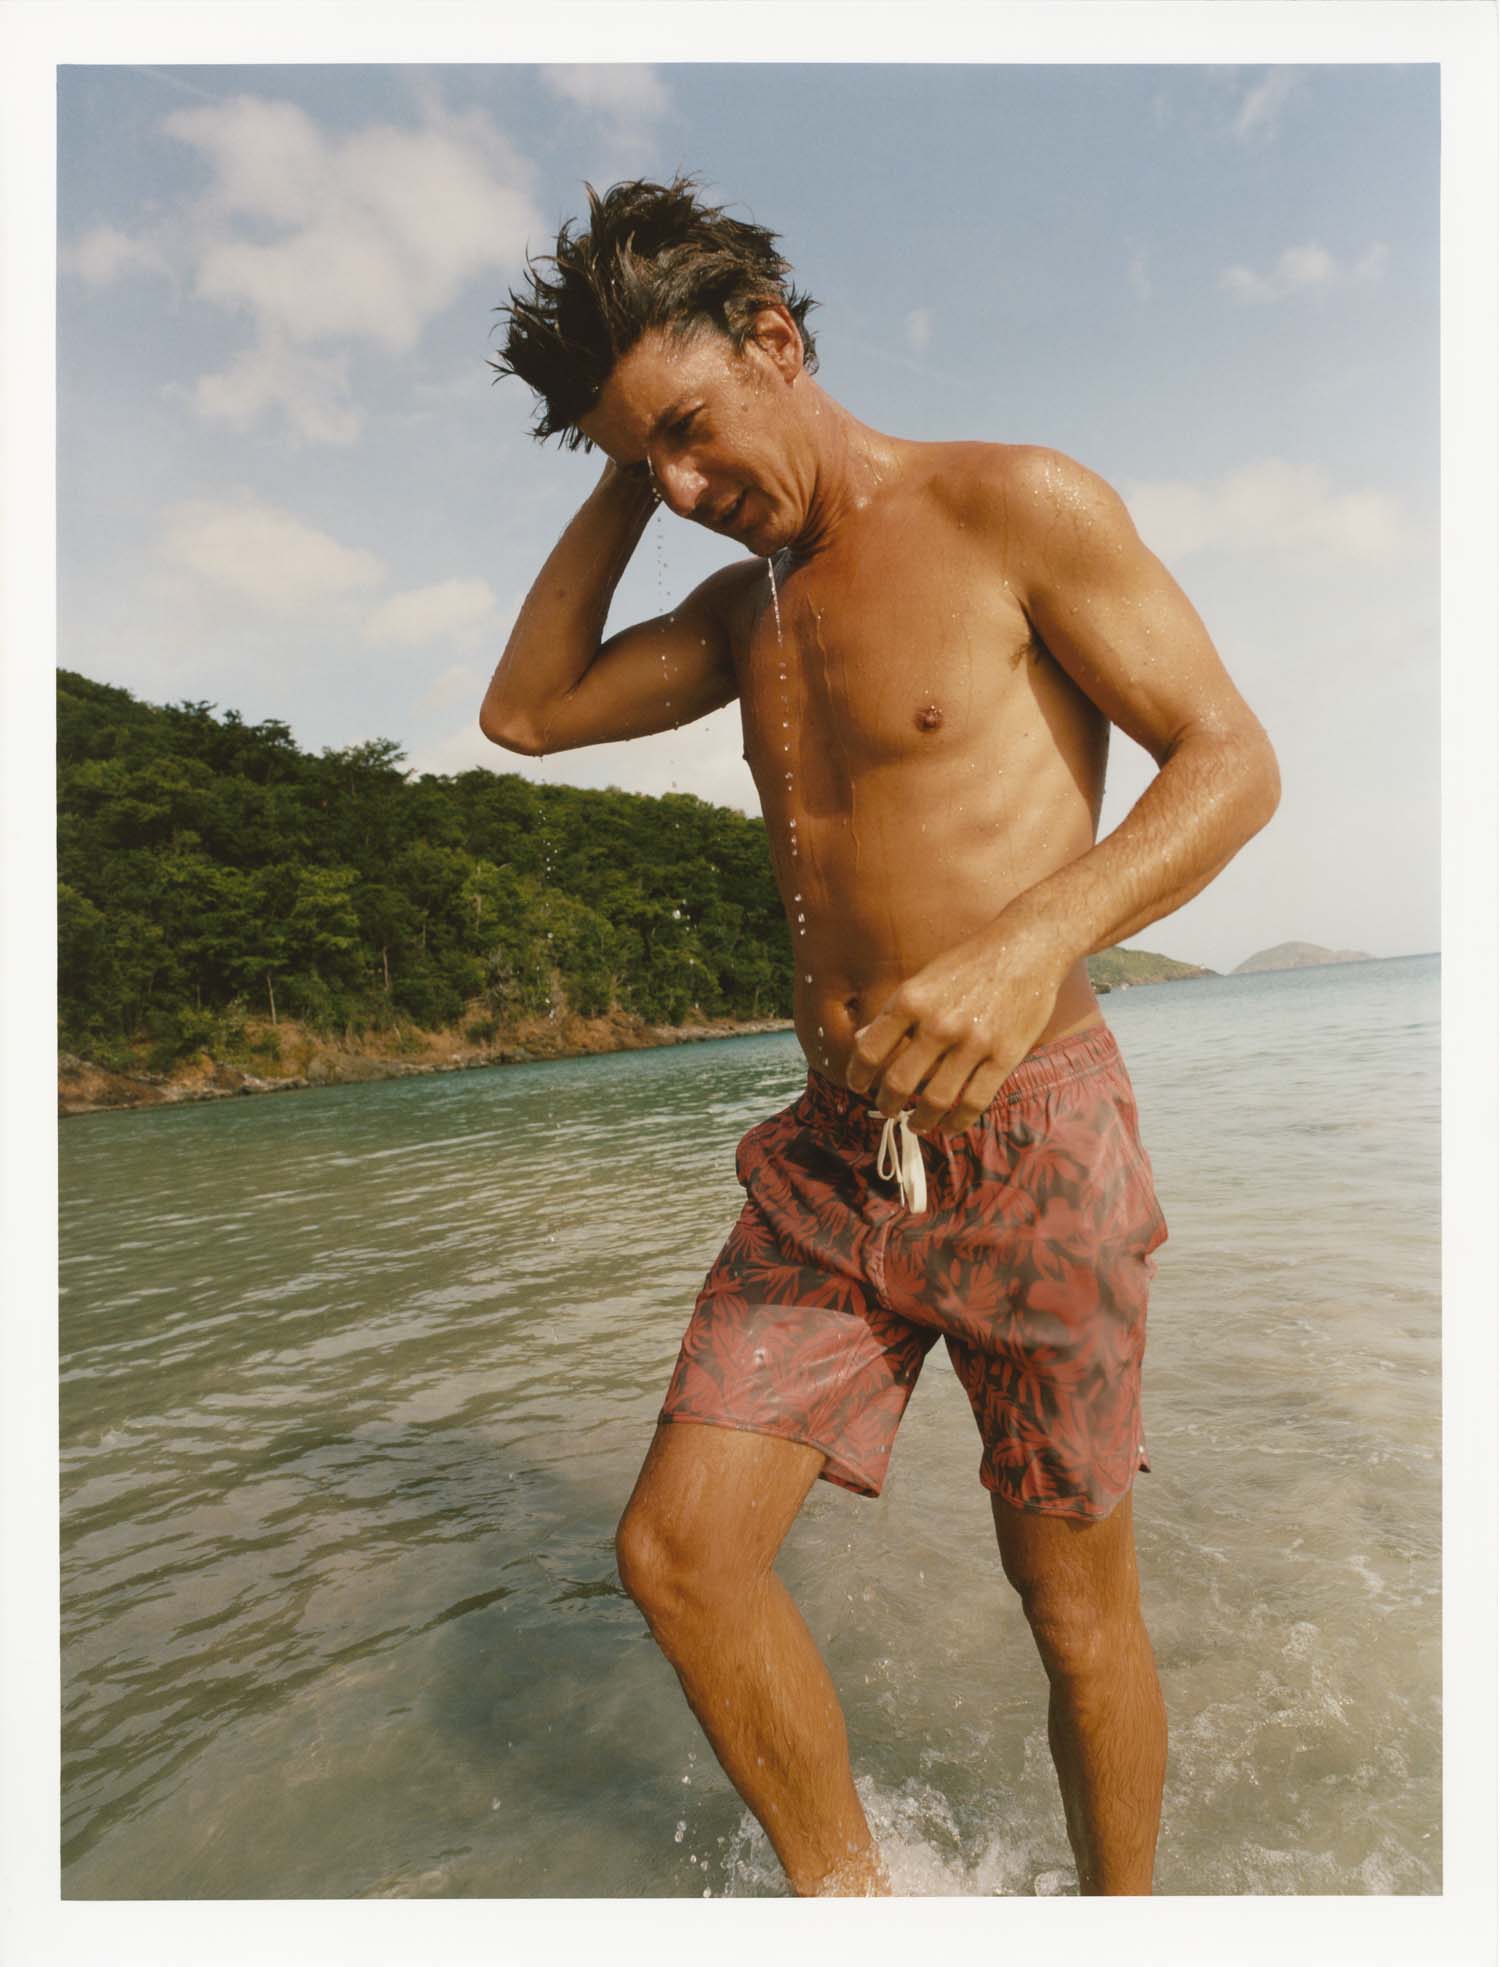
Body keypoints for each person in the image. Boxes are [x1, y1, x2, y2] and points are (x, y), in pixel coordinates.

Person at [482, 177, 1279, 1898]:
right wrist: (632, 467)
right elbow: (526, 712)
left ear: (775, 339)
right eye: (647, 468)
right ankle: (854, 1912)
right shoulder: (740, 614)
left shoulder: (1013, 506)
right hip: (835, 1163)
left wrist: (1025, 948)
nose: (686, 492)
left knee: (1072, 1617)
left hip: (1038, 1134)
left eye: (691, 433)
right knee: (681, 1559)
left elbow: (1229, 761)